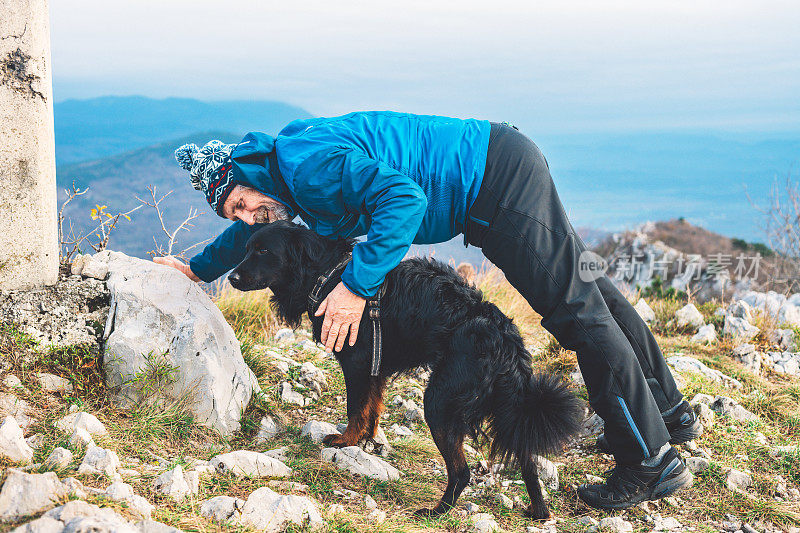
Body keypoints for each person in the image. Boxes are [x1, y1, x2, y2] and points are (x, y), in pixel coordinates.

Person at [156, 111, 701, 510]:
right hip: (500, 165)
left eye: (243, 202)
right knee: (592, 290)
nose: (248, 216)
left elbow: (405, 199)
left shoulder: (307, 168)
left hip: (494, 186)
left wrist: (356, 284)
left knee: (576, 316)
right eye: (236, 212)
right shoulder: (282, 173)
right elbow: (254, 235)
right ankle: (669, 416)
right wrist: (197, 269)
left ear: (246, 174)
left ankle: (648, 461)